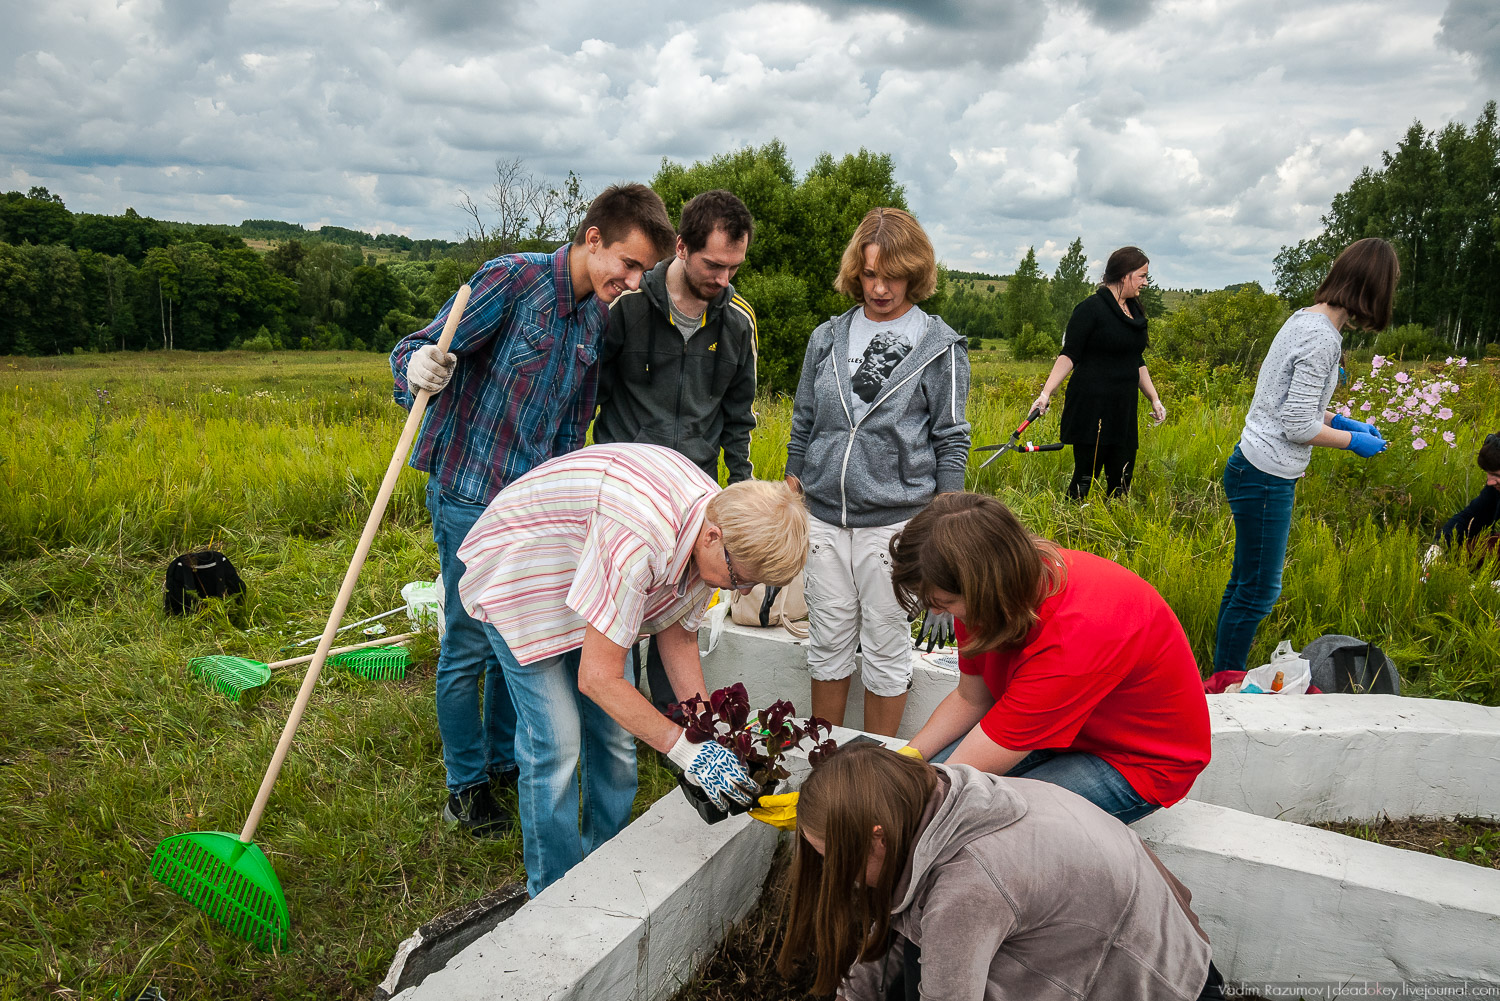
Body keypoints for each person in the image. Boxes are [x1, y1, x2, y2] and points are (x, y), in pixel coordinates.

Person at [388, 184, 676, 839]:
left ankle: (503, 762)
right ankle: (466, 787)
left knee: (517, 637)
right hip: (467, 492)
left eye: (643, 273)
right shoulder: (511, 281)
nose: (631, 282)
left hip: (530, 515)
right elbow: (416, 348)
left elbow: (574, 427)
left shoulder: (594, 320)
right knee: (466, 640)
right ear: (593, 237)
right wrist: (420, 368)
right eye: (626, 265)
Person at [455, 443, 808, 897]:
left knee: (617, 739)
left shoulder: (720, 529)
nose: (742, 589)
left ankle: (604, 863)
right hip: (526, 572)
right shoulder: (640, 538)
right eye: (741, 579)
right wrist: (683, 750)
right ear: (713, 537)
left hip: (593, 572)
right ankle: (554, 891)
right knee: (557, 743)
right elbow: (597, 678)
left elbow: (677, 635)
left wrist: (707, 732)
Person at [778, 743, 1224, 1001]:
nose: (842, 877)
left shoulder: (967, 888)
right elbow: (894, 934)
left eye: (835, 858)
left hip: (1162, 987)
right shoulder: (948, 801)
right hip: (1138, 952)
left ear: (877, 836)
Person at [888, 492, 1210, 824]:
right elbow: (972, 698)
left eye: (942, 602)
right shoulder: (985, 594)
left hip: (1134, 761)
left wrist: (902, 803)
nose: (937, 612)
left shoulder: (1076, 632)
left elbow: (952, 790)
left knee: (971, 818)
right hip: (1055, 727)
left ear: (986, 585)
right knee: (918, 781)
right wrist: (909, 757)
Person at [785, 207, 971, 737]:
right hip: (822, 519)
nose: (881, 288)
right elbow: (803, 421)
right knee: (827, 643)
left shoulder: (941, 347)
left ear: (915, 273)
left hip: (896, 525)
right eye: (870, 274)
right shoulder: (828, 337)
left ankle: (873, 776)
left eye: (893, 276)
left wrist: (944, 544)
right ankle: (823, 763)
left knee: (888, 647)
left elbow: (951, 441)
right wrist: (792, 492)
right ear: (856, 272)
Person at [593, 188, 759, 714]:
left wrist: (741, 489)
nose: (723, 279)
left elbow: (739, 417)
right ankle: (616, 719)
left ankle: (678, 723)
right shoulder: (627, 307)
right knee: (618, 616)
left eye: (735, 268)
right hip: (624, 497)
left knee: (677, 616)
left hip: (695, 501)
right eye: (714, 265)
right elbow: (589, 395)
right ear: (682, 247)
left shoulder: (737, 323)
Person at [1214, 238, 1397, 674]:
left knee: (1245, 583)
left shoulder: (1304, 319)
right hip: (1266, 475)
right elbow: (1297, 426)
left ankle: (1220, 675)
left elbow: (1293, 403)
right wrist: (1353, 443)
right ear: (1373, 289)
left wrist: (1344, 421)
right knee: (1259, 591)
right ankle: (1225, 687)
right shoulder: (1322, 340)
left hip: (1251, 464)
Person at [1029, 246, 1165, 500]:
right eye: (1142, 276)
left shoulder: (1134, 311)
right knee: (1085, 476)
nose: (1146, 282)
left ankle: (1113, 529)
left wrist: (1154, 399)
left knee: (1122, 479)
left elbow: (1136, 360)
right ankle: (1072, 524)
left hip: (1122, 409)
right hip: (1091, 408)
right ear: (1124, 275)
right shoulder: (1090, 309)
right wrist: (1045, 393)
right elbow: (1069, 354)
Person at [1438, 432, 1500, 549]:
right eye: (1488, 474)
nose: (1490, 482)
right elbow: (1470, 517)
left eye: (1496, 475)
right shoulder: (1495, 489)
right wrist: (1439, 546)